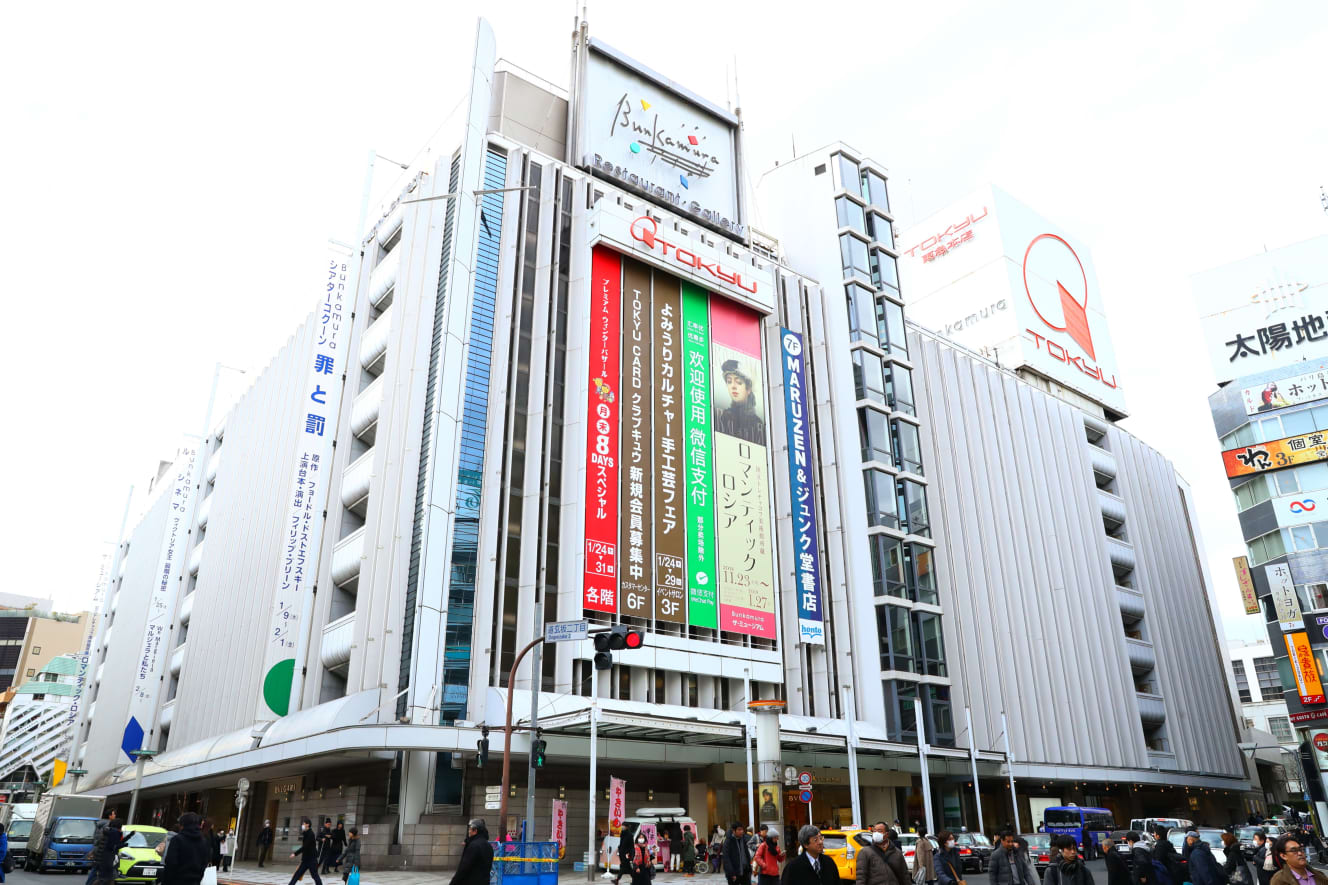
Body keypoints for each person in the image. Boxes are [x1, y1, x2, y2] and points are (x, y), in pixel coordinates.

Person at [714, 359, 765, 444]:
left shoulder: (759, 426)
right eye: (729, 382)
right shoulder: (721, 417)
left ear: (748, 389)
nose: (733, 386)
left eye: (738, 382)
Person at [162, 814, 210, 885]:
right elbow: (204, 863)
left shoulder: (177, 839)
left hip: (176, 880)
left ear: (183, 825)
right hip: (194, 881)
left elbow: (171, 862)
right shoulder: (203, 841)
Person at [448, 819, 494, 885]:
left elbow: (464, 868)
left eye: (470, 829)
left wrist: (453, 882)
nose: (468, 831)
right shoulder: (488, 846)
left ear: (475, 831)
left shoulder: (474, 846)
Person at [86, 811, 119, 885]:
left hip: (99, 850)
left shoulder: (101, 824)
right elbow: (104, 840)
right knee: (101, 873)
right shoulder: (107, 826)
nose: (115, 815)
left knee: (96, 871)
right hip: (103, 852)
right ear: (109, 816)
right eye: (114, 814)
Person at [289, 819, 325, 885]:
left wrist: (295, 854)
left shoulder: (311, 834)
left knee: (315, 876)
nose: (302, 825)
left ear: (307, 825)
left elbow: (305, 847)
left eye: (303, 824)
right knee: (297, 874)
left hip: (312, 859)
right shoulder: (306, 833)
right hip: (306, 859)